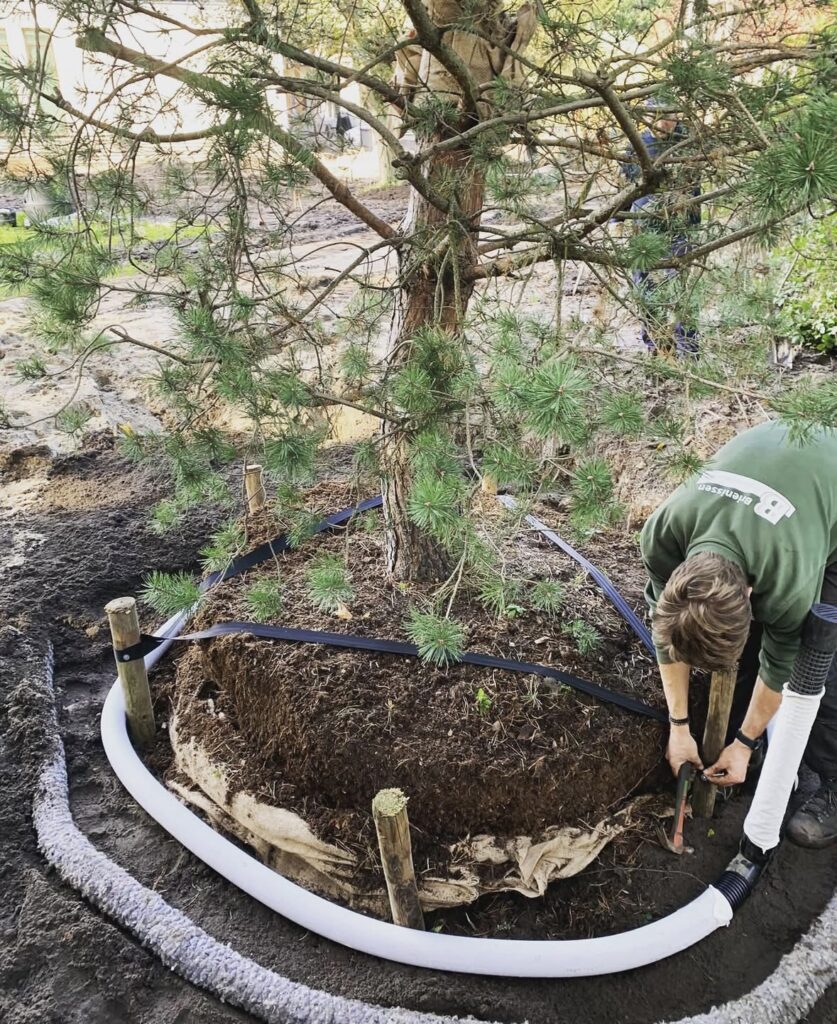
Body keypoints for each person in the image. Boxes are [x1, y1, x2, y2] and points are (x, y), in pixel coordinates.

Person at [640, 421, 837, 848]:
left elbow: (779, 667)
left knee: (823, 664)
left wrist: (744, 744)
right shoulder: (662, 535)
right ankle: (755, 741)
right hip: (775, 460)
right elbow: (665, 634)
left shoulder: (786, 580)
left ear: (750, 595)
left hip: (824, 483)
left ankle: (828, 781)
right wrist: (679, 726)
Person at [622, 102, 701, 356]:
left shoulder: (687, 143)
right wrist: (616, 221)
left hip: (679, 227)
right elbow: (626, 188)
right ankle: (655, 344)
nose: (665, 122)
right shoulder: (636, 145)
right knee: (645, 285)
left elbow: (694, 186)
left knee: (681, 286)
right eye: (657, 116)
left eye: (670, 116)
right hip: (644, 228)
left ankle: (687, 346)